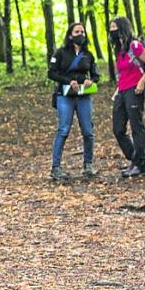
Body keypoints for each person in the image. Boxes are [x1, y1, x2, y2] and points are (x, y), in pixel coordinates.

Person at [47, 22, 99, 181]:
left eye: (82, 31)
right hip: (65, 96)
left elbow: (95, 75)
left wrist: (92, 81)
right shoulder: (61, 53)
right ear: (70, 35)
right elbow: (51, 73)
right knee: (63, 130)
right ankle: (56, 167)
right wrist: (67, 81)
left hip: (84, 97)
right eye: (77, 31)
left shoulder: (88, 55)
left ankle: (88, 164)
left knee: (88, 131)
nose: (80, 34)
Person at [108, 16, 145, 178]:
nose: (111, 30)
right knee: (118, 128)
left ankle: (140, 164)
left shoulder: (134, 45)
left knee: (137, 127)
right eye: (110, 28)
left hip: (134, 90)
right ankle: (134, 157)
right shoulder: (119, 49)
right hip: (122, 91)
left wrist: (141, 83)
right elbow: (122, 73)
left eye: (114, 27)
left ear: (121, 27)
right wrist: (117, 90)